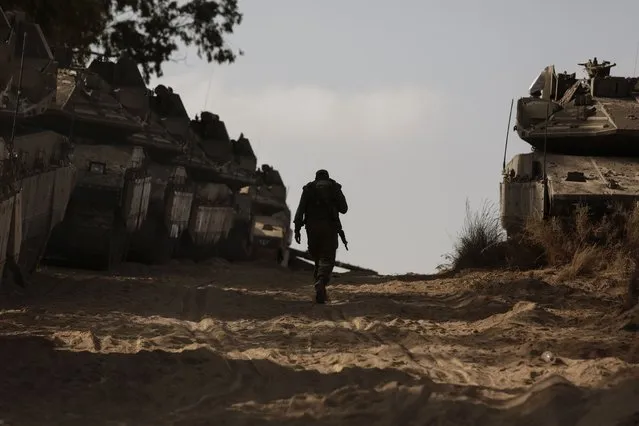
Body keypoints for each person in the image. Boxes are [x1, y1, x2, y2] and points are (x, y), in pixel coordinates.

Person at [293, 169, 348, 303]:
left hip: (312, 228)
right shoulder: (334, 187)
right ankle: (321, 280)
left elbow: (300, 210)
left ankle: (319, 286)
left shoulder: (308, 188)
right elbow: (344, 208)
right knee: (328, 257)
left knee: (317, 256)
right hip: (329, 227)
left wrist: (297, 229)